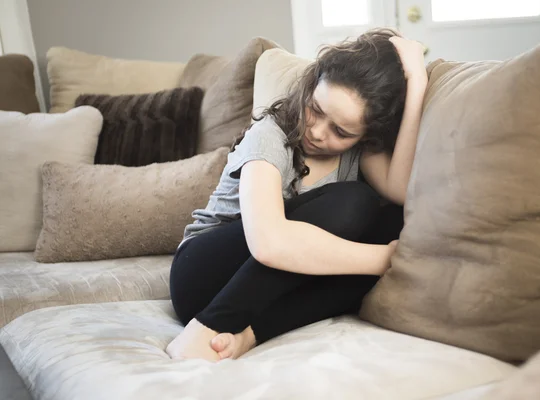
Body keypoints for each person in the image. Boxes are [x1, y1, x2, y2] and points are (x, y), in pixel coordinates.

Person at [166, 28, 428, 362]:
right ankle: (207, 327)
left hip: (269, 295)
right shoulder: (269, 136)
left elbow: (401, 190)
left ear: (367, 135)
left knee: (390, 219)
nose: (318, 133)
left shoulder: (360, 151)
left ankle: (251, 333)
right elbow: (269, 244)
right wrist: (384, 259)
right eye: (315, 110)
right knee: (354, 201)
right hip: (203, 277)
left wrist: (417, 81)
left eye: (341, 131)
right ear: (309, 86)